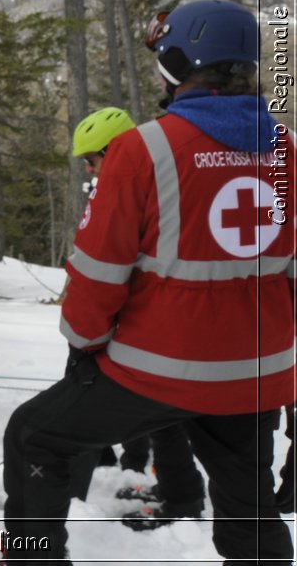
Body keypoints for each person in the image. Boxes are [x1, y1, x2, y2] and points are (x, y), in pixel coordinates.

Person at [2, 0, 295, 564]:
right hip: (255, 376)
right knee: (249, 505)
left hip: (156, 371)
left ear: (182, 63)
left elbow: (97, 274)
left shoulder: (143, 150)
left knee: (34, 435)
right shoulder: (289, 151)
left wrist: (85, 343)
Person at [70, 107, 205, 527]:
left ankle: (64, 496)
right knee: (164, 417)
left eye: (93, 158)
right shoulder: (135, 182)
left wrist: (85, 330)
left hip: (138, 325)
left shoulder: (145, 185)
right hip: (132, 324)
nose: (89, 168)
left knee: (70, 408)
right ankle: (178, 493)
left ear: (115, 150)